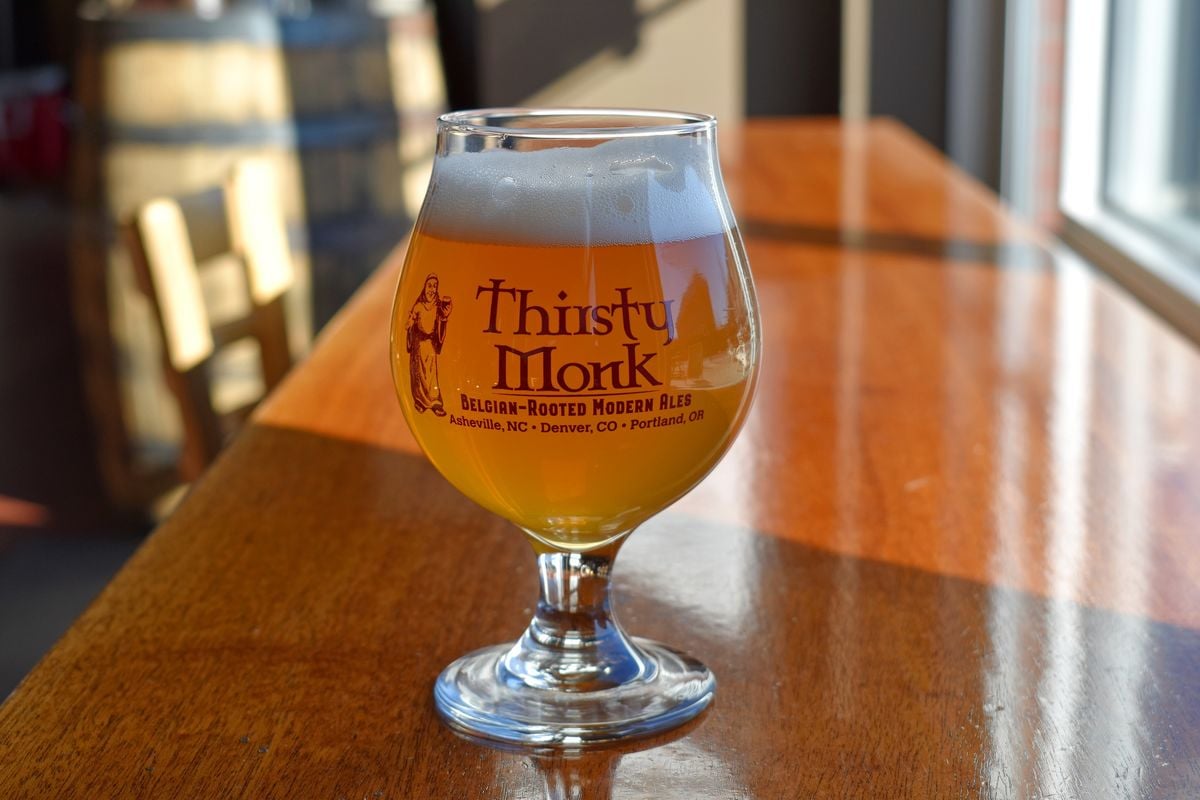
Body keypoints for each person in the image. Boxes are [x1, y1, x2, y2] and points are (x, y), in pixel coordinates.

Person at [406, 274, 452, 416]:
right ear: (424, 287)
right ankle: (420, 401)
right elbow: (411, 320)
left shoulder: (438, 307)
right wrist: (409, 325)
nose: (432, 289)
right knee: (419, 374)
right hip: (419, 345)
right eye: (430, 285)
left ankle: (434, 402)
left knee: (431, 375)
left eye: (435, 286)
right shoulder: (419, 306)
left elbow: (440, 327)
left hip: (430, 345)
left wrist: (445, 317)